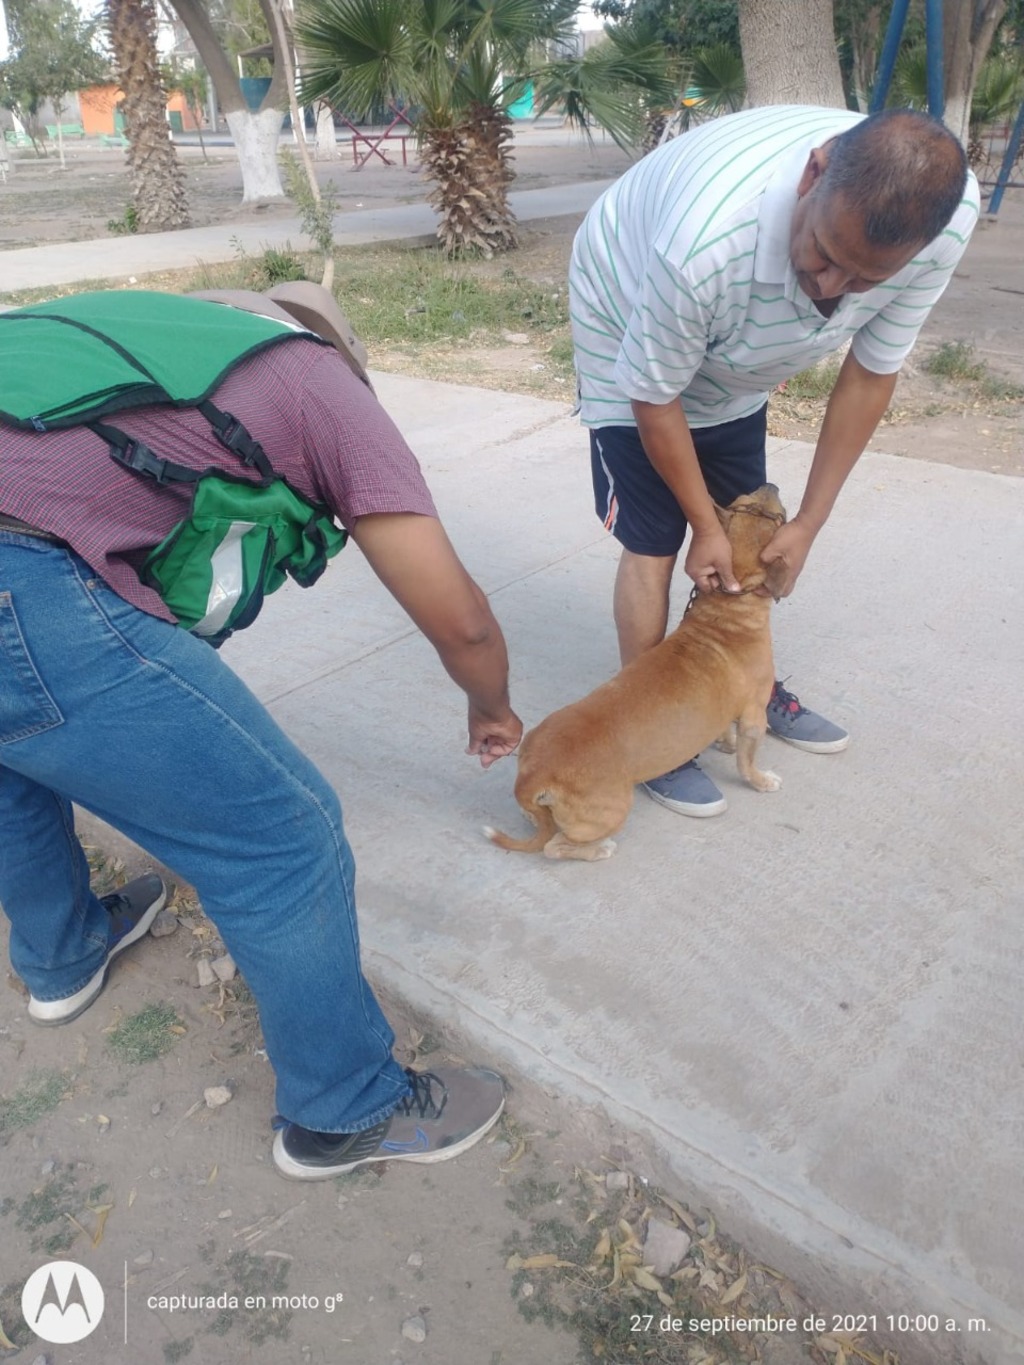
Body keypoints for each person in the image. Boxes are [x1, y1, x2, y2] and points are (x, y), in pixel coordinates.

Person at [0, 288, 523, 1181]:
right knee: (282, 836)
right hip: (22, 582)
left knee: (13, 758)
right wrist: (493, 706)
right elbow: (462, 619)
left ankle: (64, 954)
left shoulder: (132, 334)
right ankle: (347, 1110)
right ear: (338, 353)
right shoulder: (317, 382)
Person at [569, 104, 978, 817]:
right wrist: (703, 522)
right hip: (627, 312)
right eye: (824, 253)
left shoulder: (942, 220)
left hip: (733, 349)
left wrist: (812, 520)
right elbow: (655, 396)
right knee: (658, 537)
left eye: (862, 280)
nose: (826, 290)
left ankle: (746, 688)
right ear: (814, 172)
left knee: (747, 537)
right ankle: (652, 724)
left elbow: (870, 372)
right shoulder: (702, 240)